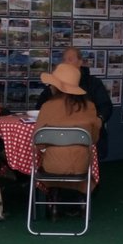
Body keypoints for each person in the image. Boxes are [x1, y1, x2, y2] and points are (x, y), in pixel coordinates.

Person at [35, 63, 104, 215]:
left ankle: (52, 197)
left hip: (51, 168)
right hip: (79, 166)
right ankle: (79, 198)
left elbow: (38, 143)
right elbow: (94, 138)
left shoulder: (47, 107)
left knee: (45, 160)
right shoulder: (90, 107)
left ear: (56, 87)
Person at [34, 46, 113, 159]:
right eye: (64, 59)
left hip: (82, 141)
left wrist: (100, 119)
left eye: (70, 59)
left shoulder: (93, 83)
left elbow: (106, 106)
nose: (66, 62)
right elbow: (39, 107)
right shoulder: (53, 87)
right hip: (65, 143)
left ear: (80, 62)